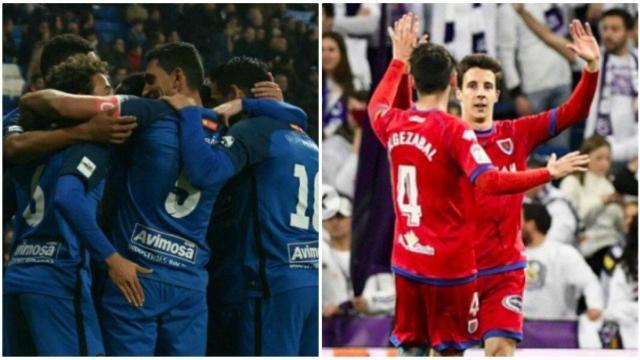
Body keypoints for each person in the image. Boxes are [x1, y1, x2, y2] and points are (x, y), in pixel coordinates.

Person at [19, 43, 298, 356]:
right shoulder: (229, 129)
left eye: (151, 80)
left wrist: (41, 103)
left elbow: (50, 104)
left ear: (177, 77)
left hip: (135, 281)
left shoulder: (146, 111)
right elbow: (294, 119)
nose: (148, 89)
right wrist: (259, 105)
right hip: (190, 286)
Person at [367, 14, 589, 356]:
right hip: (454, 269)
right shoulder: (448, 134)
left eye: (488, 87)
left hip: (500, 269)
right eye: (473, 86)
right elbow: (490, 181)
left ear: (498, 93)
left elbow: (574, 111)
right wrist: (548, 173)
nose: (481, 94)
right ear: (457, 86)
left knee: (499, 348)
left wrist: (591, 70)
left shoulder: (516, 132)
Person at [3, 54, 144, 356]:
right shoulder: (90, 144)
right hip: (60, 276)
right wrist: (112, 258)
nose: (111, 97)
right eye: (105, 90)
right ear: (80, 99)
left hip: (18, 276)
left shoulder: (31, 147)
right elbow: (67, 197)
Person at [193, 56, 318, 356]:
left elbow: (206, 174)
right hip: (309, 278)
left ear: (235, 95)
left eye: (214, 96)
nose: (210, 105)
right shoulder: (303, 135)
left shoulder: (249, 132)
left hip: (268, 283)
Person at [513, 6, 638, 165]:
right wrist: (523, 12)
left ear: (628, 32)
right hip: (597, 151)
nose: (608, 34)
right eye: (605, 28)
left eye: (615, 29)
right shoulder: (593, 58)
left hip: (634, 150)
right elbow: (549, 38)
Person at [3, 34, 137, 164]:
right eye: (87, 66)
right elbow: (13, 147)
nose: (97, 71)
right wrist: (85, 132)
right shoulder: (25, 113)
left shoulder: (103, 125)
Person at [523, 203, 604, 322]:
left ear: (531, 224)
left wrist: (595, 306)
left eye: (517, 220)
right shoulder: (509, 255)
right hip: (519, 331)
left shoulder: (563, 253)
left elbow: (589, 282)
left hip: (557, 329)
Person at [560, 135, 625, 267]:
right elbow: (571, 221)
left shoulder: (612, 183)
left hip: (613, 243)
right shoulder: (572, 183)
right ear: (585, 157)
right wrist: (602, 201)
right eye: (599, 158)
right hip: (586, 246)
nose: (604, 164)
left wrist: (624, 207)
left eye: (608, 159)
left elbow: (621, 225)